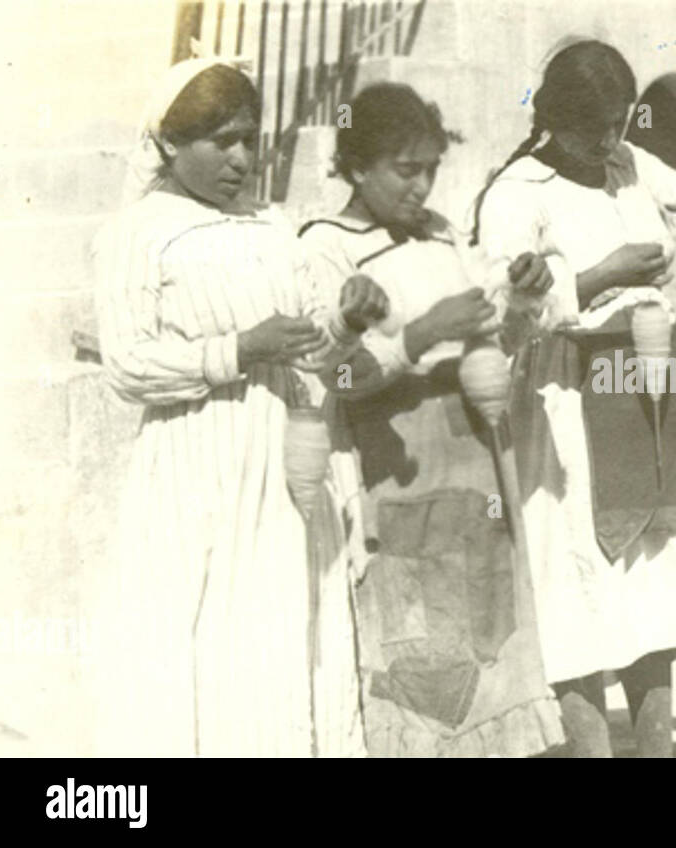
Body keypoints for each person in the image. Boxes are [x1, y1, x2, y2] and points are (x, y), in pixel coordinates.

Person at [474, 37, 676, 758]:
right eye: (598, 126)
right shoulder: (519, 193)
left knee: (656, 573)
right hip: (573, 395)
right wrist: (594, 277)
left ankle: (654, 749)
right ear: (555, 117)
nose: (612, 139)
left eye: (622, 122)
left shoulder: (629, 165)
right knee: (582, 582)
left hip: (654, 384)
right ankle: (590, 748)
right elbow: (500, 312)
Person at [90, 59, 387, 755]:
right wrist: (236, 350)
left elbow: (313, 346)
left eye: (250, 140)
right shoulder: (137, 233)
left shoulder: (271, 227)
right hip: (199, 465)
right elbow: (127, 365)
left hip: (284, 468)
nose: (241, 159)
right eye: (220, 142)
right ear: (169, 143)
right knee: (202, 639)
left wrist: (345, 322)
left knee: (279, 632)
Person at [299, 83, 565, 757]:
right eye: (405, 169)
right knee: (423, 669)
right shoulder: (327, 247)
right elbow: (334, 376)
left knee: (491, 644)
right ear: (357, 166)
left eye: (431, 169)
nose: (422, 186)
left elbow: (494, 342)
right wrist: (419, 336)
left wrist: (522, 299)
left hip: (478, 461)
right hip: (400, 473)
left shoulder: (445, 235)